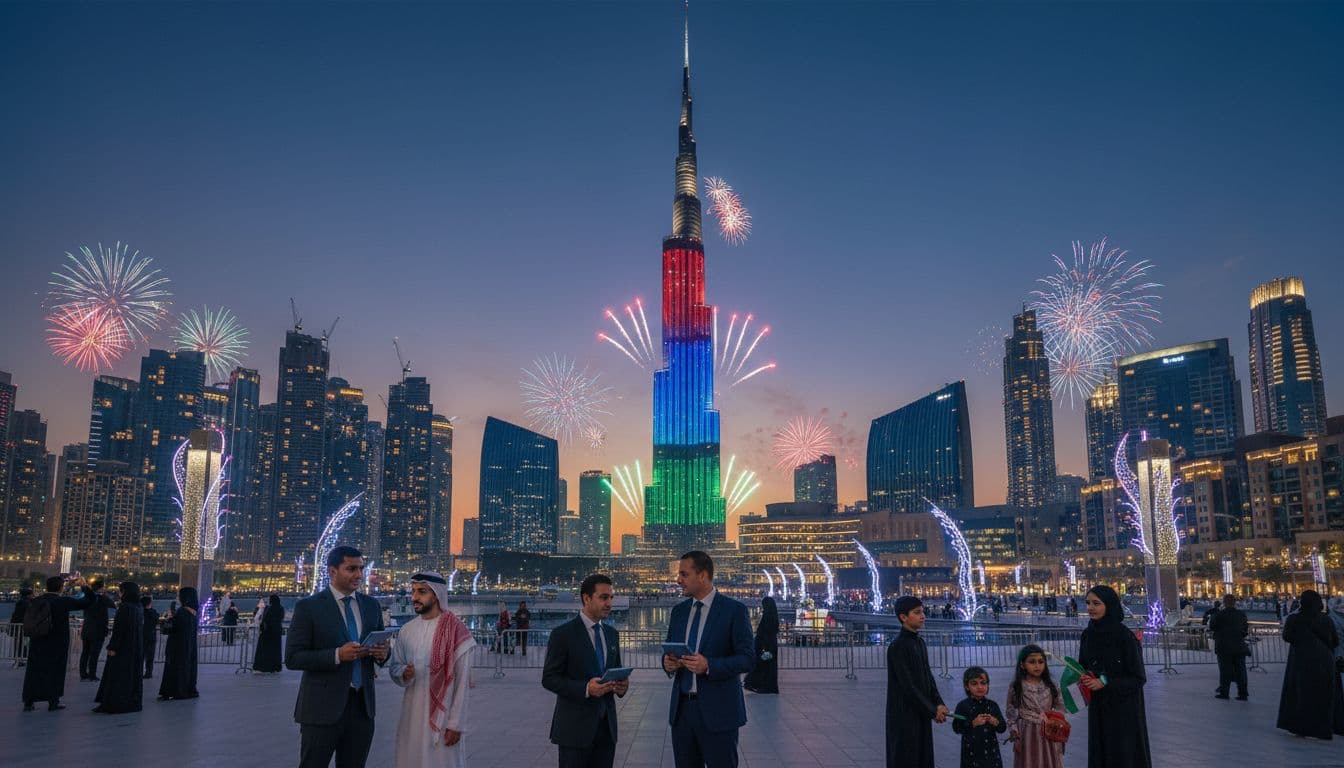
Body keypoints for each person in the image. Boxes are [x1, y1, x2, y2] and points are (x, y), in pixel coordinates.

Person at [286, 545, 390, 768]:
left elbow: (379, 648)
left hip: (362, 709)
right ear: (332, 571)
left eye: (361, 568)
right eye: (351, 569)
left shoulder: (371, 606)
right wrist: (337, 655)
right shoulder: (309, 607)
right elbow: (293, 657)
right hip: (321, 709)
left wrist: (382, 654)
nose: (358, 575)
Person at [661, 550, 754, 768]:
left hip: (720, 713)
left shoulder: (734, 611)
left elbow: (748, 659)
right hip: (682, 712)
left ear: (702, 575)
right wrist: (668, 663)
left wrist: (709, 665)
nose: (678, 580)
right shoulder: (679, 612)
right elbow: (669, 651)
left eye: (684, 574)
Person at [390, 572, 475, 768]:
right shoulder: (407, 630)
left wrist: (456, 724)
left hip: (444, 720)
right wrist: (403, 673)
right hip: (412, 717)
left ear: (437, 594)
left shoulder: (457, 631)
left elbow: (462, 683)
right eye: (413, 592)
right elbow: (395, 667)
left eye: (421, 592)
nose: (414, 597)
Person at [543, 573, 629, 768]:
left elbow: (616, 671)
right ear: (586, 598)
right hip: (574, 731)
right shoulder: (563, 634)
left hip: (606, 729)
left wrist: (622, 686)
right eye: (603, 597)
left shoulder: (611, 634)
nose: (609, 603)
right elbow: (549, 679)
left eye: (611, 597)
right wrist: (586, 689)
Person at [1078, 585, 1151, 768]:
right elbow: (1084, 667)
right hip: (1099, 707)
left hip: (1123, 710)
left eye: (1096, 603)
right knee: (1101, 751)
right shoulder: (1088, 635)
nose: (1090, 608)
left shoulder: (1124, 637)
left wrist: (1104, 681)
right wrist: (1082, 678)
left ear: (1109, 605)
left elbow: (1137, 677)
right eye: (1088, 603)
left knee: (1123, 754)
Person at [885, 595, 948, 768]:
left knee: (923, 757)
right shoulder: (897, 646)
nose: (923, 616)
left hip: (920, 712)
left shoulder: (919, 642)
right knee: (907, 758)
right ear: (903, 617)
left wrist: (939, 703)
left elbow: (928, 676)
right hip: (904, 715)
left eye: (923, 612)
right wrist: (932, 710)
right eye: (917, 612)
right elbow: (907, 686)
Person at [1276, 589, 1344, 739]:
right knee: (1324, 695)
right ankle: (1324, 728)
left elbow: (1287, 636)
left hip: (1301, 660)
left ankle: (1301, 727)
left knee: (1302, 694)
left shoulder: (1294, 619)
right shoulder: (1326, 619)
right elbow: (1334, 640)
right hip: (1325, 660)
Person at [21, 574, 93, 711]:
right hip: (57, 642)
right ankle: (53, 701)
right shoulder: (63, 602)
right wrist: (84, 586)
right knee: (55, 672)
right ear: (60, 588)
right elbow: (88, 601)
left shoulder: (37, 600)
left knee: (34, 671)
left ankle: (29, 701)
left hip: (38, 640)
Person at [1004, 645, 1064, 768]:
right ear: (1022, 665)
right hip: (1026, 734)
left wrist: (1055, 721)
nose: (1037, 666)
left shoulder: (1052, 685)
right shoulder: (1017, 686)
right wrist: (1014, 730)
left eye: (1041, 662)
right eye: (1032, 662)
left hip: (1048, 732)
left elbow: (1060, 707)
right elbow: (1011, 711)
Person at [94, 581, 144, 714]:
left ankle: (113, 703)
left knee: (115, 676)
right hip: (133, 649)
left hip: (121, 650)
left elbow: (119, 630)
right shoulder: (138, 607)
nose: (119, 594)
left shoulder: (125, 608)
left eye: (120, 591)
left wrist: (113, 647)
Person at [953, 666, 1006, 768]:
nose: (980, 687)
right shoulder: (963, 706)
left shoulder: (992, 705)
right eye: (974, 683)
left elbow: (1002, 728)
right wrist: (972, 723)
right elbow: (956, 727)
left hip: (991, 753)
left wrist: (995, 722)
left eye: (983, 683)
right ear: (967, 686)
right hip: (971, 753)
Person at [159, 586, 200, 700]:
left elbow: (171, 628)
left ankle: (175, 691)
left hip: (176, 647)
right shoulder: (193, 613)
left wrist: (168, 619)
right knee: (186, 668)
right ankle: (185, 689)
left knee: (174, 669)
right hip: (188, 647)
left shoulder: (182, 612)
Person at [1208, 594, 1249, 700]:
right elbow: (1245, 630)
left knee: (1225, 670)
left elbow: (1212, 626)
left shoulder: (1219, 615)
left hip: (1224, 646)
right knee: (1241, 671)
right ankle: (1243, 693)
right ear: (1235, 602)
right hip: (1239, 646)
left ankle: (1224, 692)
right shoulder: (1241, 615)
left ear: (1224, 603)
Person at [79, 578, 117, 681]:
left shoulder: (86, 597)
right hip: (98, 630)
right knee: (94, 654)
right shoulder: (103, 598)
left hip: (86, 629)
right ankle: (92, 675)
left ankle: (83, 674)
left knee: (85, 653)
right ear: (101, 588)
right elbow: (113, 605)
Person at [742, 596, 779, 694]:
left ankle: (757, 684)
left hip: (764, 645)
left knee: (761, 665)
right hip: (770, 646)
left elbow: (763, 632)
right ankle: (768, 686)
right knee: (768, 667)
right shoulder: (774, 617)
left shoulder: (766, 617)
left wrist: (762, 646)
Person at [253, 593, 285, 674]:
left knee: (265, 650)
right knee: (275, 651)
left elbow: (266, 619)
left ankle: (264, 666)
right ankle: (275, 667)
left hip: (267, 633)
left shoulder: (269, 608)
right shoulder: (281, 608)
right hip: (276, 632)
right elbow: (281, 619)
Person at [8, 586, 31, 665]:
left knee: (18, 643)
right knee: (23, 643)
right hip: (24, 627)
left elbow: (15, 615)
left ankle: (18, 659)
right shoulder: (27, 603)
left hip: (18, 627)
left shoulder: (20, 602)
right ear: (28, 595)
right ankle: (21, 659)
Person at [140, 595, 159, 679]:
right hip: (151, 636)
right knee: (150, 657)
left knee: (140, 656)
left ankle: (138, 672)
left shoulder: (140, 612)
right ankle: (148, 673)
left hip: (141, 636)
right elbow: (156, 621)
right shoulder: (153, 612)